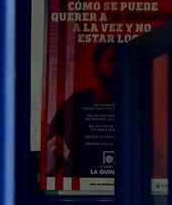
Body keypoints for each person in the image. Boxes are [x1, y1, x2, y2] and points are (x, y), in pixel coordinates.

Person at [44, 41, 119, 179]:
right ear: (97, 67)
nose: (118, 66)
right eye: (111, 60)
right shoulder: (76, 104)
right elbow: (52, 150)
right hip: (81, 189)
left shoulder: (137, 104)